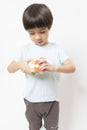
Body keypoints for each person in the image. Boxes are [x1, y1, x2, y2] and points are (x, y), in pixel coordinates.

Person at [7, 3, 76, 130]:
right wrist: (21, 65)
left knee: (52, 128)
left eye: (42, 31)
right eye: (32, 33)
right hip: (31, 100)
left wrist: (54, 67)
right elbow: (10, 68)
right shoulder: (25, 49)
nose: (38, 37)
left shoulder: (56, 49)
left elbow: (72, 67)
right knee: (34, 127)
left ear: (49, 27)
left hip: (52, 100)